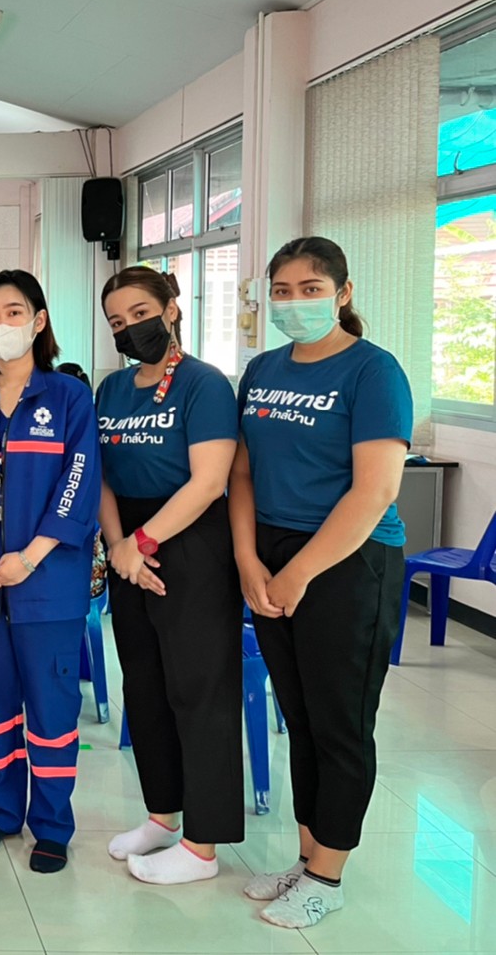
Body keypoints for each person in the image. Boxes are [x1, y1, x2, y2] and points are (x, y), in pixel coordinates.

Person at [231, 237, 412, 930]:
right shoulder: (262, 369)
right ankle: (308, 858)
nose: (294, 302)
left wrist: (300, 572)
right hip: (271, 551)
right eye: (282, 290)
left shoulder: (373, 371)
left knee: (340, 723)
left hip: (347, 559)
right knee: (300, 716)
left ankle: (328, 876)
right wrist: (248, 560)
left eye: (311, 289)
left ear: (342, 292)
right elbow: (242, 472)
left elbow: (375, 491)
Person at [0, 270, 100, 875]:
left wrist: (30, 557)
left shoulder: (68, 398)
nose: (0, 325)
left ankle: (53, 825)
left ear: (38, 321)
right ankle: (2, 812)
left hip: (48, 587)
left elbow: (78, 483)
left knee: (52, 713)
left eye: (13, 312)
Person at [95, 267, 243, 885]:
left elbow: (208, 482)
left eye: (140, 313)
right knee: (146, 687)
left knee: (198, 690)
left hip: (189, 539)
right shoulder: (111, 388)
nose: (130, 328)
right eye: (117, 321)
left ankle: (203, 846)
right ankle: (162, 815)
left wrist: (143, 542)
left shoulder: (205, 384)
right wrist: (118, 545)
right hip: (127, 543)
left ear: (171, 309)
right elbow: (100, 474)